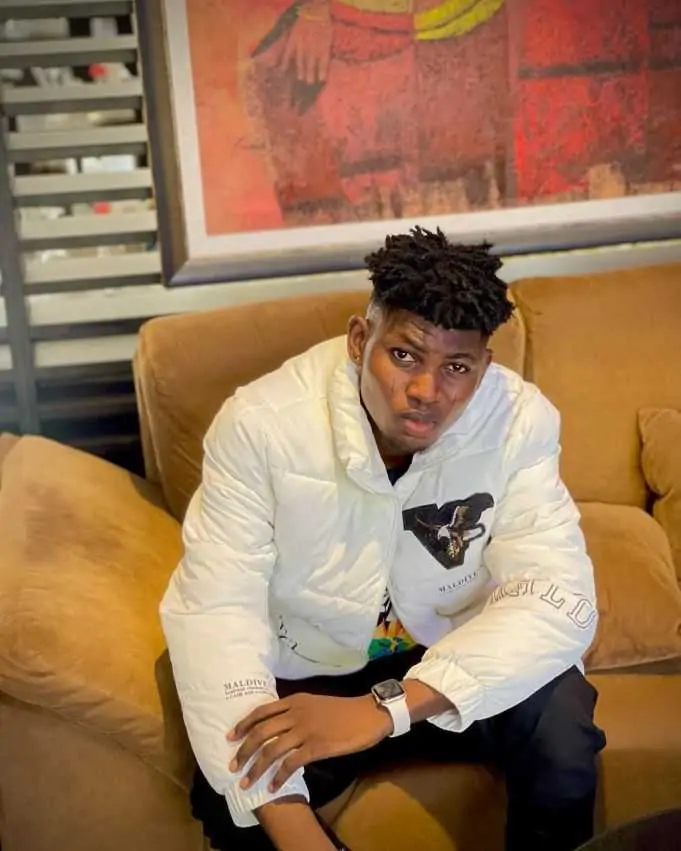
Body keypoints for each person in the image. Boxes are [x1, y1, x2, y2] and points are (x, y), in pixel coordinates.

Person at [160, 227, 606, 851]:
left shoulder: (519, 421)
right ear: (358, 340)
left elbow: (558, 599)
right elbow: (216, 613)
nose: (426, 391)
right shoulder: (261, 426)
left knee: (563, 727)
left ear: (483, 369)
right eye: (404, 356)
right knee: (234, 795)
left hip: (455, 654)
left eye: (457, 368)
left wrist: (386, 709)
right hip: (316, 668)